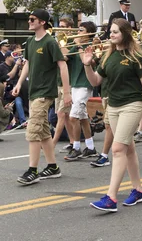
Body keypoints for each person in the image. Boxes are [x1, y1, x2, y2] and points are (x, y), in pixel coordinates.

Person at [83, 18, 142, 212]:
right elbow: (96, 81)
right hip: (112, 107)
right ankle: (138, 190)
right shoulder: (108, 56)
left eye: (115, 32)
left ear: (125, 33)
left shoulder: (135, 56)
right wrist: (87, 65)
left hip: (132, 105)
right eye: (110, 31)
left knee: (117, 149)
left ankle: (111, 197)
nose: (111, 34)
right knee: (128, 148)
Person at [15, 9, 72, 185]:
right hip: (33, 91)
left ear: (42, 22)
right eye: (29, 19)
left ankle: (32, 170)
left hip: (45, 92)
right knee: (44, 131)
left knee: (33, 131)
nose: (29, 22)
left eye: (32, 19)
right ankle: (53, 166)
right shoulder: (30, 41)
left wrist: (68, 92)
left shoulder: (50, 42)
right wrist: (18, 83)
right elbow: (27, 64)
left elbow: (62, 66)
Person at [64, 22, 99, 161]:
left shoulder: (93, 46)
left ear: (89, 33)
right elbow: (65, 58)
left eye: (81, 30)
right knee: (83, 118)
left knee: (74, 117)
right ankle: (90, 147)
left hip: (85, 85)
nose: (78, 32)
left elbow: (86, 61)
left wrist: (78, 45)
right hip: (75, 84)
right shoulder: (75, 44)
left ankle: (76, 147)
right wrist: (64, 43)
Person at [54, 17, 75, 152]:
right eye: (59, 26)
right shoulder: (58, 42)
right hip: (58, 82)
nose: (59, 29)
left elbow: (65, 57)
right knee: (63, 116)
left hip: (70, 83)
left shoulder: (73, 41)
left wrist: (62, 43)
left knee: (62, 113)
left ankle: (52, 143)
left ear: (69, 28)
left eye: (62, 26)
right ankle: (73, 142)